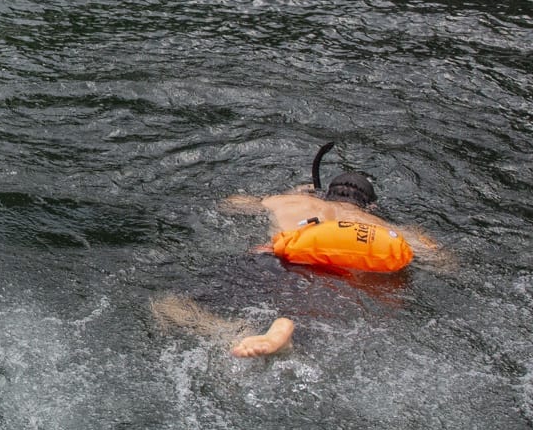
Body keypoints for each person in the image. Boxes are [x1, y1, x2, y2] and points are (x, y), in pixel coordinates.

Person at [153, 144, 439, 359]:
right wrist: (417, 233)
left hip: (269, 262)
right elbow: (442, 261)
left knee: (169, 306)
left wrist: (294, 192)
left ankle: (235, 332)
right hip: (333, 283)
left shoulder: (288, 201)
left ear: (326, 192)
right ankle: (286, 334)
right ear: (371, 206)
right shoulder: (386, 228)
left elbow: (231, 204)